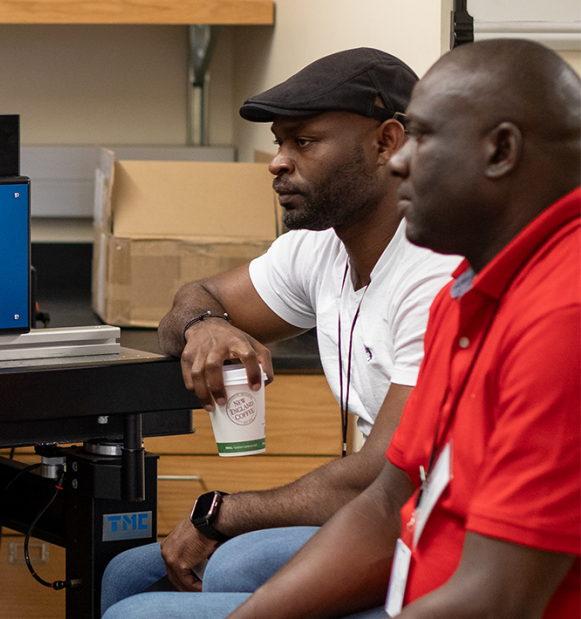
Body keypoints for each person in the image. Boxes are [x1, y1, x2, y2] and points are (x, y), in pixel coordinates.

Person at [215, 38, 581, 619]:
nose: (402, 161)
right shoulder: (469, 287)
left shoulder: (563, 318)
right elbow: (390, 497)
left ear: (501, 151)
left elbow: (500, 600)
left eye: (426, 138)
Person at [102, 48, 460, 617]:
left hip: (429, 531)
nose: (277, 161)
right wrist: (206, 326)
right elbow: (197, 298)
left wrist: (218, 512)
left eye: (304, 141)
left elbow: (379, 477)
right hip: (376, 513)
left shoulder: (437, 271)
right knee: (129, 573)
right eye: (278, 142)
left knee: (199, 578)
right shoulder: (318, 248)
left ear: (386, 144)